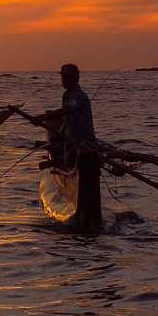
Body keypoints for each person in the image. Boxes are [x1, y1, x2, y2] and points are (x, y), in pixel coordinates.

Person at [26, 63, 103, 229]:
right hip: (71, 143)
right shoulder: (66, 95)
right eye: (62, 76)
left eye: (67, 76)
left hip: (84, 144)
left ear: (76, 78)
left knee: (73, 161)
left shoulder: (79, 96)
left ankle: (81, 211)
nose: (64, 79)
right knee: (67, 160)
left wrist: (43, 117)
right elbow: (66, 119)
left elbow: (64, 112)